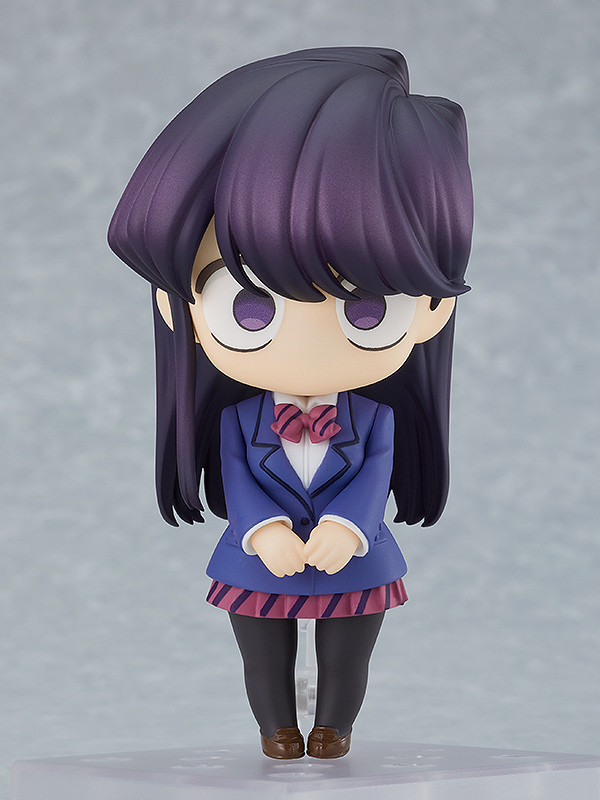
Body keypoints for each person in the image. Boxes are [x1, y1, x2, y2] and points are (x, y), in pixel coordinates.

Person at [108, 46, 473, 759]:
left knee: (348, 658)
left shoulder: (378, 419)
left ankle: (334, 726)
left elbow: (372, 478)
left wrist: (347, 527)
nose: (306, 338)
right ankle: (276, 728)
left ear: (432, 309)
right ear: (175, 303)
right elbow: (240, 479)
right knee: (261, 658)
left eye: (366, 307)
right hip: (257, 558)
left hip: (356, 558)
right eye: (249, 306)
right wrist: (263, 530)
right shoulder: (237, 421)